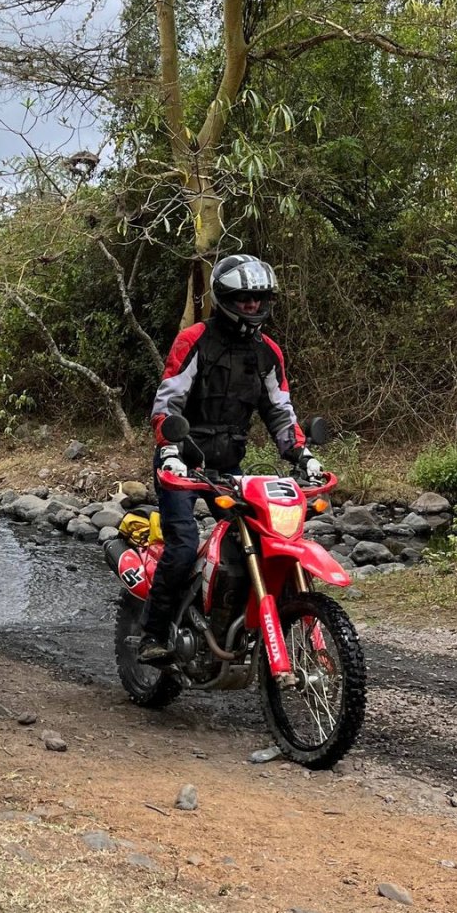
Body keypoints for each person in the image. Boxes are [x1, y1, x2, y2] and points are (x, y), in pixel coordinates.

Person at [137, 254, 322, 663]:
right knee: (184, 546)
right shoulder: (195, 340)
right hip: (181, 462)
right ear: (225, 298)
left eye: (259, 299)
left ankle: (237, 625)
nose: (253, 306)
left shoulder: (268, 353)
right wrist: (169, 449)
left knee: (257, 540)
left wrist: (302, 454)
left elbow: (280, 411)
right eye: (243, 298)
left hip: (229, 468)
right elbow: (167, 404)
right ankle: (152, 634)